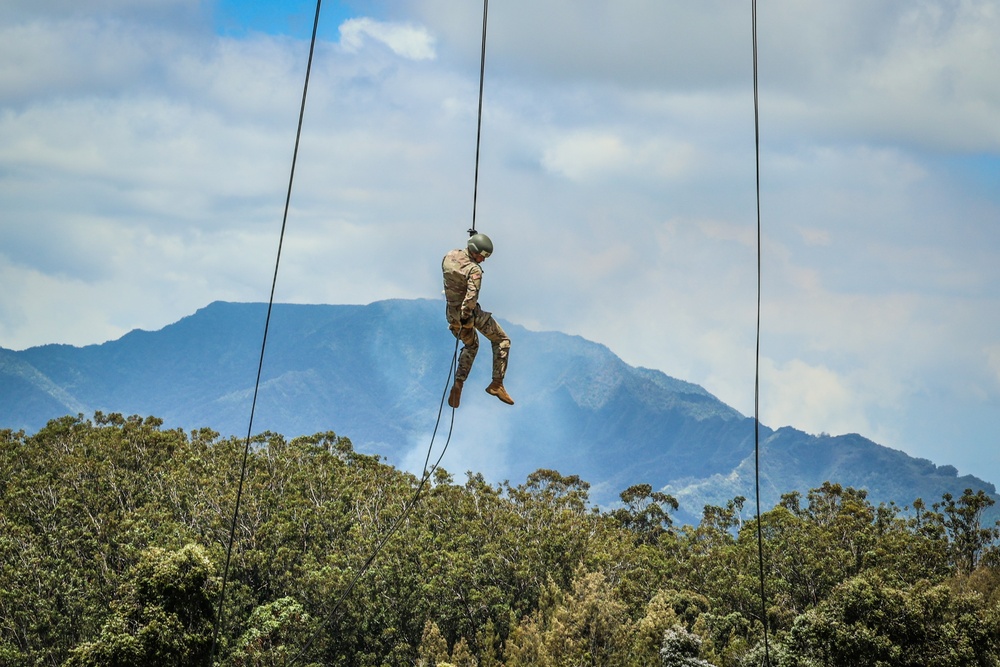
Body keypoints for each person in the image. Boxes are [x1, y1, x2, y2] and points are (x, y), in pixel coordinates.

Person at [441, 232, 513, 408]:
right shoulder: (475, 271)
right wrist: (467, 317)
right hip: (468, 315)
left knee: (471, 345)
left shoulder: (449, 256)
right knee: (502, 340)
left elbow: (459, 267)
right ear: (474, 251)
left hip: (451, 314)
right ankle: (497, 384)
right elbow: (471, 298)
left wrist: (473, 240)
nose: (483, 260)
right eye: (482, 256)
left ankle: (459, 383)